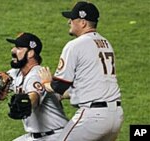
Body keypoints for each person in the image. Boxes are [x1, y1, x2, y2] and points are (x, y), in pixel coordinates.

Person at [38, 1, 124, 141]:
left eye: (72, 19)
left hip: (93, 117)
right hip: (116, 116)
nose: (68, 22)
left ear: (83, 23)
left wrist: (46, 83)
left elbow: (59, 86)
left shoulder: (75, 45)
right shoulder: (106, 43)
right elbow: (88, 83)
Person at [0, 32, 68, 141]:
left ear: (30, 53)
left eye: (18, 48)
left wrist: (26, 103)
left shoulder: (37, 74)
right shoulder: (17, 73)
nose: (13, 51)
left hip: (55, 136)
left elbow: (34, 96)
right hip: (35, 137)